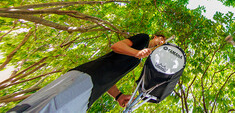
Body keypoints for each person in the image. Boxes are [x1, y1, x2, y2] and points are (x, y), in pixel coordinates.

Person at [8, 33, 166, 113]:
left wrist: (118, 95)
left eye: (163, 44)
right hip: (86, 77)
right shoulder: (143, 39)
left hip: (90, 94)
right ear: (155, 37)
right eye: (161, 40)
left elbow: (111, 76)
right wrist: (136, 53)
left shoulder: (138, 60)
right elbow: (117, 46)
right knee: (48, 107)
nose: (161, 43)